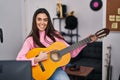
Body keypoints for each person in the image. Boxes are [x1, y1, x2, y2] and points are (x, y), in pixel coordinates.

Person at [16, 8, 98, 80]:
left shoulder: (55, 34)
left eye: (45, 20)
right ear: (35, 20)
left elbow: (71, 52)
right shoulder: (30, 40)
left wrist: (87, 40)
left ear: (48, 22)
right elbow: (19, 59)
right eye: (39, 19)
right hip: (38, 71)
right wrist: (37, 59)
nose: (42, 22)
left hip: (55, 70)